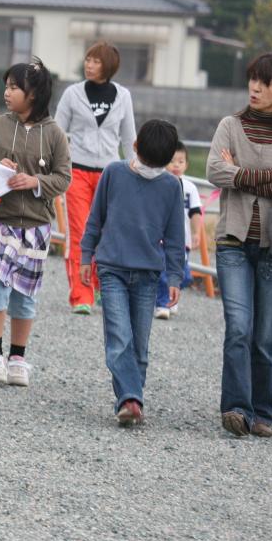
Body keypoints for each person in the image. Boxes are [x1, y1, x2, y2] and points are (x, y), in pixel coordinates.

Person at [206, 52, 272, 438]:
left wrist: (241, 174)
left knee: (264, 334)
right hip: (233, 241)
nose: (255, 87)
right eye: (253, 80)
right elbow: (215, 171)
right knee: (238, 326)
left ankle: (263, 409)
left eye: (265, 83)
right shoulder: (230, 125)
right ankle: (236, 407)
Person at [0, 59, 71, 388]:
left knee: (26, 294)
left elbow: (63, 177)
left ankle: (18, 357)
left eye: (15, 87)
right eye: (7, 86)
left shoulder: (54, 133)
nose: (8, 92)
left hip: (37, 224)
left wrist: (35, 182)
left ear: (34, 94)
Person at [80, 120, 186, 426]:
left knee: (139, 344)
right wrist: (87, 256)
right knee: (119, 338)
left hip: (148, 275)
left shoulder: (170, 186)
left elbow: (176, 237)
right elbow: (95, 219)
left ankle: (129, 398)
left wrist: (175, 276)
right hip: (112, 268)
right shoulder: (114, 172)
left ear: (136, 144)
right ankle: (130, 398)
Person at [55, 42, 137, 314]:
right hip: (77, 170)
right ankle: (81, 294)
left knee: (108, 233)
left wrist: (137, 169)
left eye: (96, 61)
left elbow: (129, 137)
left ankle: (103, 286)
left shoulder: (123, 96)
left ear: (108, 66)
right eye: (88, 59)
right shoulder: (72, 93)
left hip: (111, 174)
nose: (89, 65)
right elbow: (57, 132)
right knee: (80, 232)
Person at [155, 142, 203, 319]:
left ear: (186, 165)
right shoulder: (158, 183)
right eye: (172, 161)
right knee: (162, 273)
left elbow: (196, 212)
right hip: (160, 239)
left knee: (182, 274)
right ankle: (162, 304)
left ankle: (170, 297)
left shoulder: (190, 187)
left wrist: (197, 233)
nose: (176, 165)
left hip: (183, 240)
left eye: (181, 161)